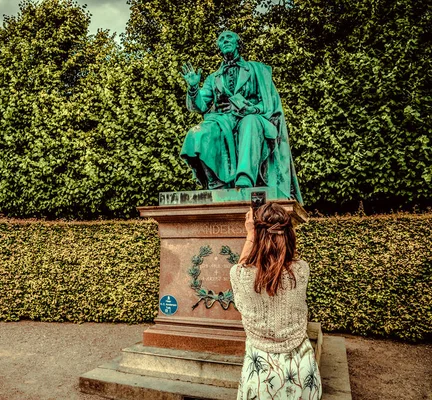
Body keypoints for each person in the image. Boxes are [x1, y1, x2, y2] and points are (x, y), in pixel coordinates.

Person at [180, 31, 303, 204]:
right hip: (223, 120)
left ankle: (245, 178)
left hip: (254, 117)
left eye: (229, 37)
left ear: (238, 44)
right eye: (221, 39)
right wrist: (193, 88)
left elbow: (268, 104)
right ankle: (216, 183)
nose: (225, 40)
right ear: (219, 47)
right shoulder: (213, 78)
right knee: (197, 133)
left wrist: (244, 107)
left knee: (249, 122)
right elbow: (199, 105)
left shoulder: (256, 70)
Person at [230, 202, 321, 399]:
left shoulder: (240, 275)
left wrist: (250, 237)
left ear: (256, 233)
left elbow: (244, 265)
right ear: (289, 235)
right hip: (302, 372)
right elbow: (280, 266)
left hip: (261, 377)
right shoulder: (302, 270)